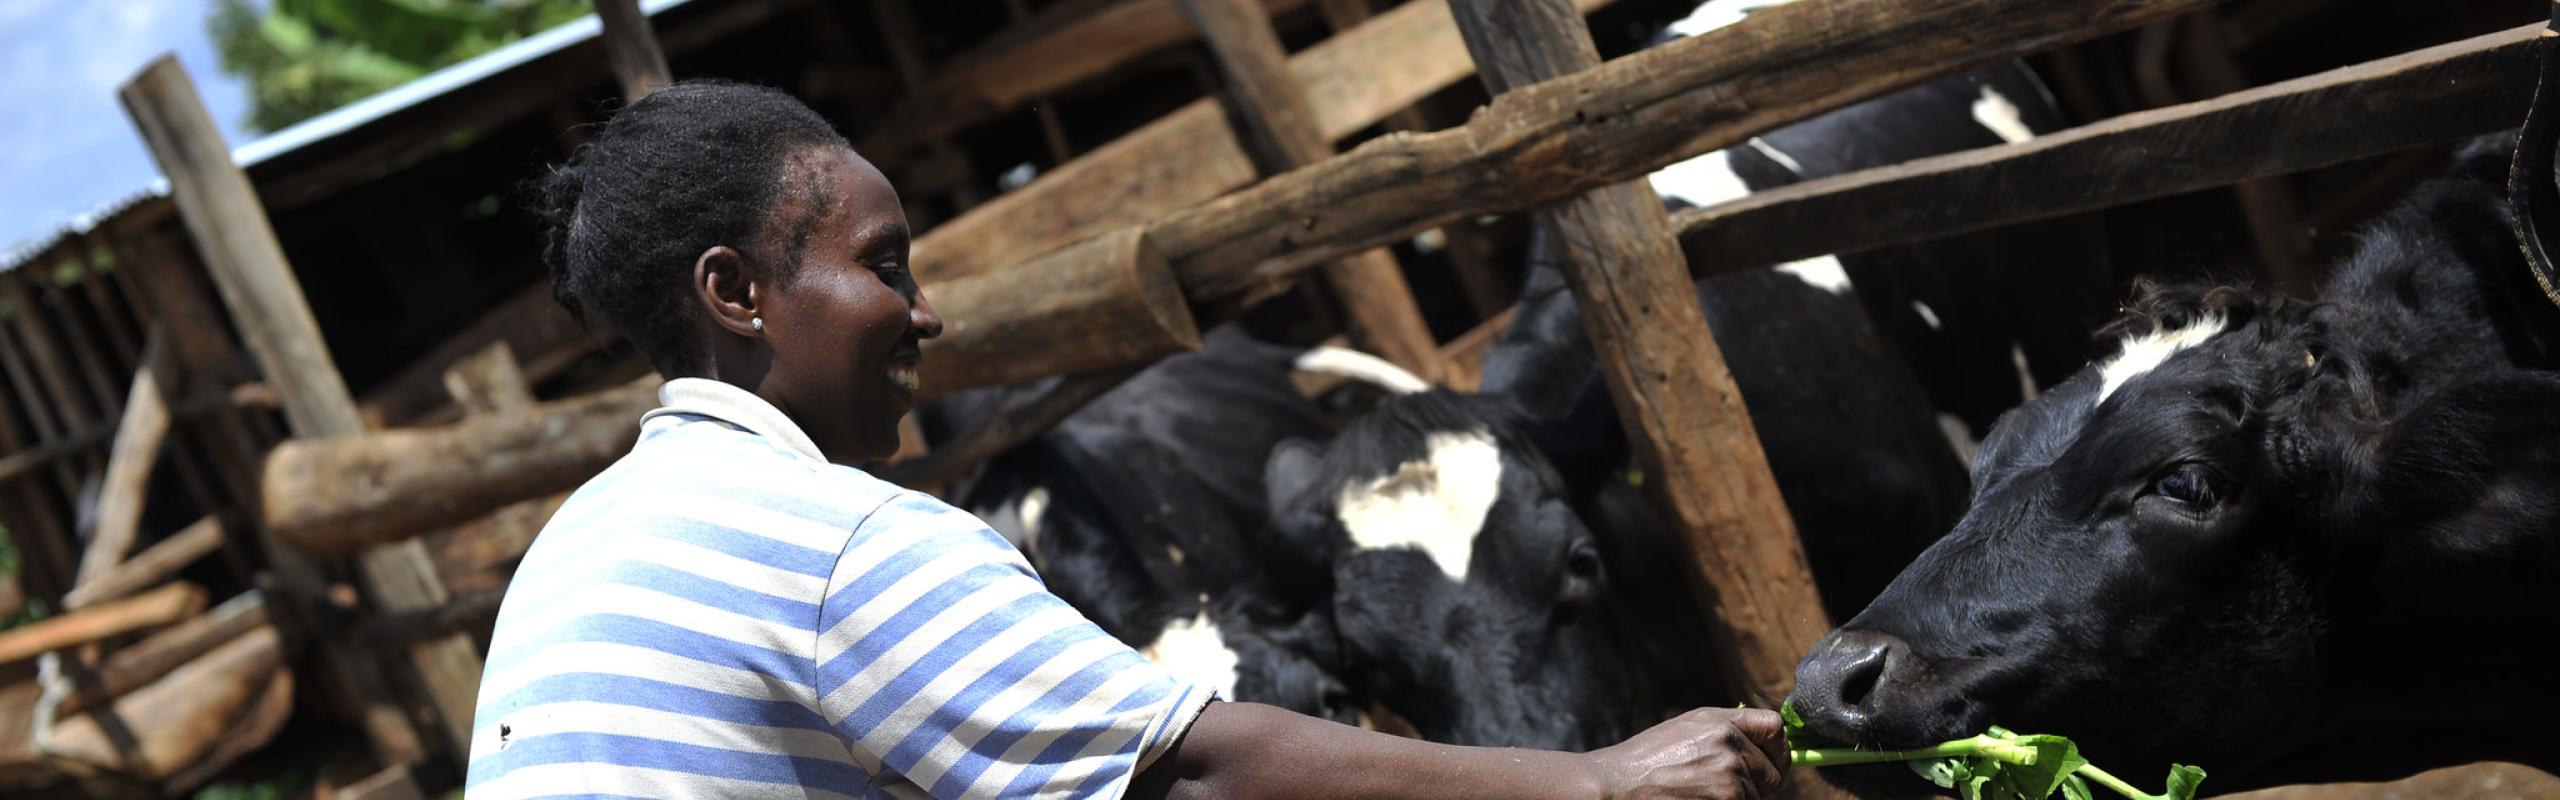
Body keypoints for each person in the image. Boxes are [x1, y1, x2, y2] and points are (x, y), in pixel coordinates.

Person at [464, 80, 1791, 800]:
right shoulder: (840, 544)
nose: (925, 312)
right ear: (736, 295)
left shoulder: (577, 551)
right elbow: (1201, 770)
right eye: (882, 266)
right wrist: (1597, 784)